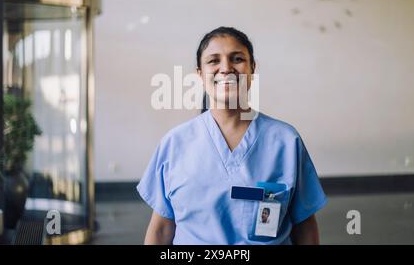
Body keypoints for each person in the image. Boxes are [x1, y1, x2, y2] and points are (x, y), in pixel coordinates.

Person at [137, 26, 327, 245]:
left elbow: (304, 225)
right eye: (213, 61)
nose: (226, 68)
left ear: (252, 69)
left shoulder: (285, 141)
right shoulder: (175, 144)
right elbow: (161, 230)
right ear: (199, 74)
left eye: (237, 59)